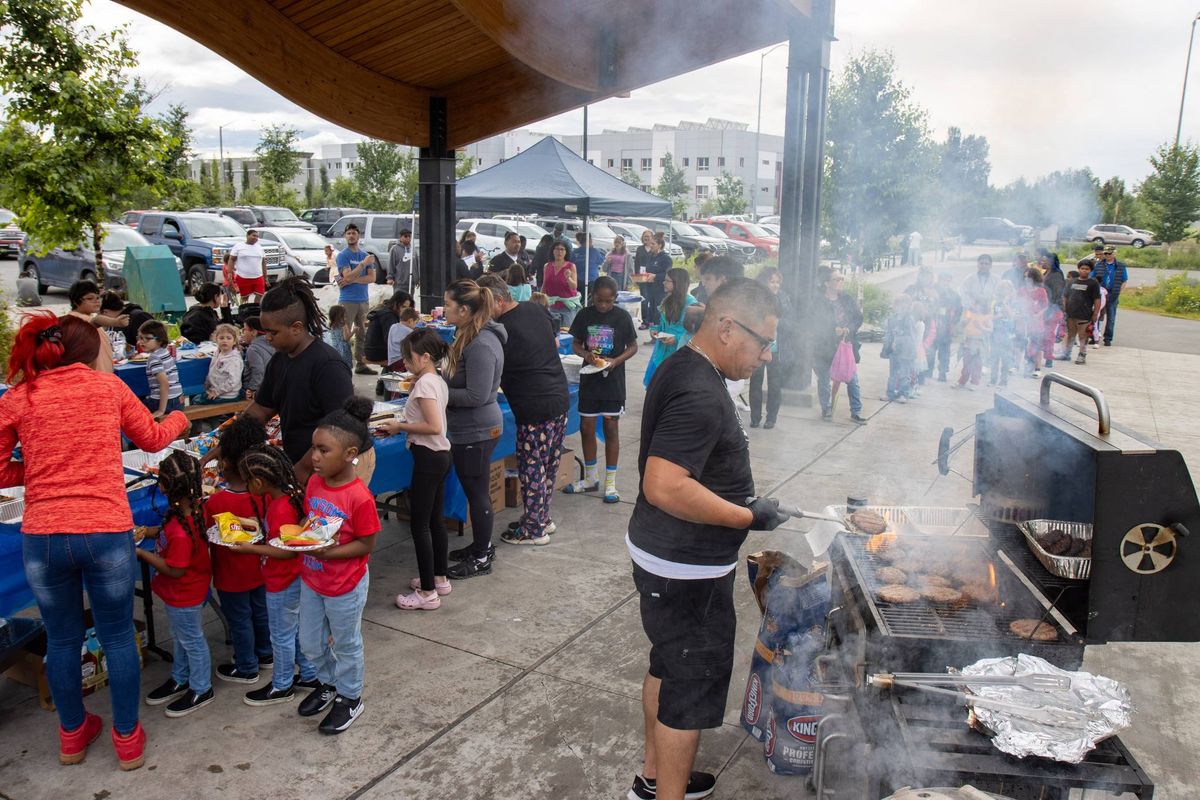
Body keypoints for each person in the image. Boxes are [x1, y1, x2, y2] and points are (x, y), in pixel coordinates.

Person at [0, 312, 187, 769]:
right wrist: (181, 417)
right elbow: (154, 436)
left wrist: (40, 471)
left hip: (43, 537)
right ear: (88, 350)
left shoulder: (19, 397)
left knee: (62, 641)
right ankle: (127, 738)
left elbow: (2, 466)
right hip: (104, 530)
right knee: (118, 635)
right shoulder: (108, 389)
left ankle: (72, 735)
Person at [626, 278, 790, 800]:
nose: (766, 355)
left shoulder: (688, 365)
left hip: (668, 558)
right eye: (762, 342)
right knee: (689, 687)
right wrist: (747, 517)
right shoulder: (700, 389)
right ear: (725, 328)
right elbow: (664, 483)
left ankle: (655, 777)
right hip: (685, 569)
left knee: (667, 663)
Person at [298, 396, 381, 734]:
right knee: (310, 643)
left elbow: (366, 544)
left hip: (345, 584)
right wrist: (301, 537)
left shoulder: (359, 497)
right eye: (313, 448)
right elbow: (311, 518)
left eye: (323, 450)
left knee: (346, 644)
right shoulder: (315, 482)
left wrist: (327, 554)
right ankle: (329, 683)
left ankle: (349, 697)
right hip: (312, 578)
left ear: (350, 455)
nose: (314, 457)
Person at [221, 278, 356, 485]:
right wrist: (227, 444)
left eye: (273, 333)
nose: (267, 338)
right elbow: (261, 409)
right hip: (295, 461)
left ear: (296, 327)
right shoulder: (279, 359)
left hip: (325, 472)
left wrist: (302, 469)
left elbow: (340, 430)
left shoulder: (328, 366)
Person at [477, 274, 570, 546]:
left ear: (498, 300)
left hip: (535, 405)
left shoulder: (501, 329)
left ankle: (533, 529)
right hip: (558, 398)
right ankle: (541, 517)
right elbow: (553, 342)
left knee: (532, 469)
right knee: (548, 465)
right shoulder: (534, 308)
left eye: (484, 303)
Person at [230, 444, 320, 706]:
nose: (246, 487)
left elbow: (287, 551)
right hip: (290, 578)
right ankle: (310, 674)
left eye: (247, 482)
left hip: (282, 580)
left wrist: (250, 548)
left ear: (258, 482)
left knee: (280, 635)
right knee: (293, 631)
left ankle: (282, 685)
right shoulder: (286, 497)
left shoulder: (281, 508)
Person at [136, 452, 216, 719]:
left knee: (191, 641)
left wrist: (141, 553)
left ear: (164, 486)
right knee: (182, 637)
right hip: (187, 591)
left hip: (185, 593)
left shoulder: (180, 534)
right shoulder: (191, 510)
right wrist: (148, 532)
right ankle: (180, 678)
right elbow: (169, 530)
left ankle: (201, 687)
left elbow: (176, 569)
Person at [377, 329, 452, 607]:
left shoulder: (424, 385)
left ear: (425, 357)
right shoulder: (435, 379)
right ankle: (439, 578)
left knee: (420, 525)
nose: (405, 365)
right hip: (440, 456)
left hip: (429, 457)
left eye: (409, 359)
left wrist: (399, 426)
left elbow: (433, 426)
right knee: (434, 520)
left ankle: (426, 593)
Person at [442, 280, 506, 579]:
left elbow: (476, 396)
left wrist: (438, 392)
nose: (444, 310)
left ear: (465, 310)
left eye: (449, 305)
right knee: (473, 489)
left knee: (477, 492)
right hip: (468, 428)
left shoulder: (481, 344)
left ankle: (481, 557)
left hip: (477, 430)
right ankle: (481, 546)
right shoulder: (466, 335)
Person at [204, 415, 272, 684]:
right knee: (260, 611)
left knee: (239, 619)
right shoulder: (265, 494)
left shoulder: (216, 501)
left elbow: (205, 531)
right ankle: (266, 654)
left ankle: (246, 666)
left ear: (225, 464)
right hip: (261, 568)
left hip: (231, 575)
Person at [565, 276, 638, 504]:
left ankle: (610, 483)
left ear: (615, 299)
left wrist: (616, 360)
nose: (603, 305)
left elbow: (633, 346)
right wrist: (585, 354)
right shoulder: (585, 315)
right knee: (586, 428)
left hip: (613, 382)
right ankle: (590, 478)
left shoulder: (622, 317)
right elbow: (576, 343)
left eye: (608, 301)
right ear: (593, 296)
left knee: (611, 428)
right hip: (590, 380)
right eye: (599, 300)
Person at [811, 268, 867, 424]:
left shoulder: (847, 299)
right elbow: (812, 323)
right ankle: (826, 408)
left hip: (845, 345)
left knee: (852, 379)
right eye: (837, 279)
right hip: (824, 347)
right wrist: (831, 330)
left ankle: (856, 411)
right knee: (824, 379)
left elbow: (858, 318)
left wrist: (849, 329)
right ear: (827, 283)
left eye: (841, 279)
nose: (841, 282)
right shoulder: (818, 301)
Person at [747, 267, 792, 428]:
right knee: (755, 383)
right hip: (758, 347)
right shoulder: (756, 298)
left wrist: (777, 323)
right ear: (764, 281)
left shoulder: (784, 298)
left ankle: (771, 418)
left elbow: (790, 322)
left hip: (777, 349)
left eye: (778, 282)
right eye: (772, 281)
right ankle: (755, 417)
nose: (775, 285)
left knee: (774, 384)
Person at [335, 223, 378, 375]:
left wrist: (351, 279)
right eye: (348, 234)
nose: (351, 236)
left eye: (353, 233)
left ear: (358, 235)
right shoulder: (343, 255)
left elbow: (372, 278)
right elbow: (346, 275)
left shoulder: (365, 255)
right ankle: (342, 366)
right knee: (344, 334)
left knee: (362, 333)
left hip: (363, 299)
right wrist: (362, 265)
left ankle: (361, 364)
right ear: (345, 236)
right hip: (347, 300)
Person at [644, 267, 696, 389]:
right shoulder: (667, 300)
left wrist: (677, 338)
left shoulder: (692, 304)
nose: (663, 282)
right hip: (661, 350)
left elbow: (694, 332)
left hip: (678, 352)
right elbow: (660, 323)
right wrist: (654, 330)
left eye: (667, 281)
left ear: (677, 283)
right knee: (656, 387)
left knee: (672, 387)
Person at [66, 280, 124, 372]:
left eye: (98, 297)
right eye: (90, 298)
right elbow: (97, 320)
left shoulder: (86, 317)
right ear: (76, 301)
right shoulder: (78, 320)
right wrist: (115, 322)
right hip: (94, 376)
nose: (96, 301)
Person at [137, 320, 183, 419]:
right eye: (140, 338)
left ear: (160, 340)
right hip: (178, 401)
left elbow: (164, 383)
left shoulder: (154, 358)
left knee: (132, 410)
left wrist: (161, 410)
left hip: (163, 403)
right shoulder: (165, 352)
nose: (142, 342)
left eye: (147, 338)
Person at [1060, 261, 1102, 365]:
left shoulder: (1093, 283)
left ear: (1090, 270)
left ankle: (1082, 355)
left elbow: (1097, 299)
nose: (1084, 270)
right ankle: (1066, 354)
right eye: (1082, 268)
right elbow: (1065, 296)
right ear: (1079, 269)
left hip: (1084, 315)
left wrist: (1095, 314)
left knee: (1083, 336)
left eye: (1087, 269)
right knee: (1070, 335)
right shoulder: (1072, 281)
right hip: (1071, 314)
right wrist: (1064, 309)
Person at [882, 293, 918, 402]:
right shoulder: (891, 319)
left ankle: (903, 394)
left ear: (908, 306)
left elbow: (911, 336)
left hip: (905, 351)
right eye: (897, 304)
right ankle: (890, 393)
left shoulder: (909, 319)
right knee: (892, 374)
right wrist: (887, 346)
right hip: (894, 351)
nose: (900, 307)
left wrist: (899, 341)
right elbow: (888, 333)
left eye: (904, 304)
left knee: (904, 373)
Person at [364, 290, 414, 367]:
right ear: (395, 304)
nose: (406, 310)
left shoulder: (389, 310)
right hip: (375, 352)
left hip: (374, 349)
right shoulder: (388, 316)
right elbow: (391, 339)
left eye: (408, 307)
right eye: (403, 307)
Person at [1093, 246, 1128, 346]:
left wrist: (1119, 291)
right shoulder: (1098, 265)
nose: (1107, 255)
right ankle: (1094, 336)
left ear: (1114, 253)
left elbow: (1124, 280)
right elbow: (1092, 277)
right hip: (1100, 294)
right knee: (1096, 315)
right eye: (1106, 253)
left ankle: (1108, 338)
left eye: (1110, 253)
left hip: (1113, 294)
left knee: (1111, 317)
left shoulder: (1121, 266)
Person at [542, 240, 580, 330]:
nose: (559, 252)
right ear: (552, 251)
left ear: (566, 252)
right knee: (551, 333)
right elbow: (544, 286)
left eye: (562, 249)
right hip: (551, 306)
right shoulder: (547, 266)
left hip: (567, 308)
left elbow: (574, 287)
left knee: (566, 334)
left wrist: (568, 278)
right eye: (557, 249)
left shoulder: (571, 266)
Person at [955, 300, 993, 389]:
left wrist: (981, 327)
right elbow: (962, 323)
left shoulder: (985, 317)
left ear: (982, 306)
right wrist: (964, 322)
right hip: (968, 340)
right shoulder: (969, 313)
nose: (975, 306)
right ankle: (962, 381)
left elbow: (990, 329)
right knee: (966, 362)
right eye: (975, 304)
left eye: (977, 305)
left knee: (976, 364)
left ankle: (975, 382)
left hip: (979, 343)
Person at [1017, 268, 1048, 378]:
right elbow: (1018, 304)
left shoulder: (1041, 291)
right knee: (1023, 344)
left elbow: (1045, 306)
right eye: (1025, 277)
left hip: (1036, 322)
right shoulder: (1022, 290)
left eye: (1029, 277)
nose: (1026, 279)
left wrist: (1037, 315)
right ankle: (1024, 366)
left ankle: (1037, 368)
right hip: (1024, 322)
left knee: (1036, 345)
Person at [931, 273, 962, 382]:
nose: (945, 283)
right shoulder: (931, 291)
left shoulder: (953, 295)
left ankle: (942, 372)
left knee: (944, 351)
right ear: (939, 280)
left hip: (946, 327)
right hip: (932, 325)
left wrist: (953, 323)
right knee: (930, 349)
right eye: (943, 280)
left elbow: (958, 310)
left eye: (948, 280)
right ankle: (928, 371)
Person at [637, 233, 672, 329]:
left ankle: (660, 334)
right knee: (651, 312)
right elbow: (647, 270)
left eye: (653, 244)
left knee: (658, 313)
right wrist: (643, 276)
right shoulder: (650, 256)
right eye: (650, 243)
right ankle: (653, 336)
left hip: (660, 290)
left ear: (659, 245)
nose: (650, 245)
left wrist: (655, 276)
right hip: (650, 288)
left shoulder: (665, 258)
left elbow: (669, 275)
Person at [224, 229, 267, 303]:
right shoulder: (239, 246)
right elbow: (231, 259)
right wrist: (230, 272)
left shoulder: (259, 247)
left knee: (260, 295)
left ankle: (255, 310)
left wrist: (265, 277)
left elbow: (263, 263)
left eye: (257, 236)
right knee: (244, 297)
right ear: (247, 236)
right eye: (253, 235)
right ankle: (244, 310)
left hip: (258, 277)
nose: (255, 238)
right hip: (243, 277)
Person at [989, 280, 1018, 387]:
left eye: (1006, 288)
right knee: (994, 357)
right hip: (995, 333)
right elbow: (990, 317)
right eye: (1002, 288)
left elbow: (1013, 316)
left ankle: (1003, 380)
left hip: (1008, 334)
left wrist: (1006, 304)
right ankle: (993, 380)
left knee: (1006, 358)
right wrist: (1000, 315)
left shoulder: (1014, 303)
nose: (1004, 291)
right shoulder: (995, 302)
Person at [205, 323, 244, 401]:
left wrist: (217, 392)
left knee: (196, 402)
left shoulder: (234, 359)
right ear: (216, 340)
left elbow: (233, 381)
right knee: (197, 398)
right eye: (221, 338)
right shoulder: (218, 353)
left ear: (234, 341)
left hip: (227, 394)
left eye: (229, 338)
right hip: (215, 390)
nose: (225, 341)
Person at [240, 316, 274, 403]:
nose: (242, 333)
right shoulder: (271, 344)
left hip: (256, 390)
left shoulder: (253, 349)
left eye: (244, 330)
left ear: (254, 332)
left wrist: (252, 389)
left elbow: (258, 371)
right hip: (270, 387)